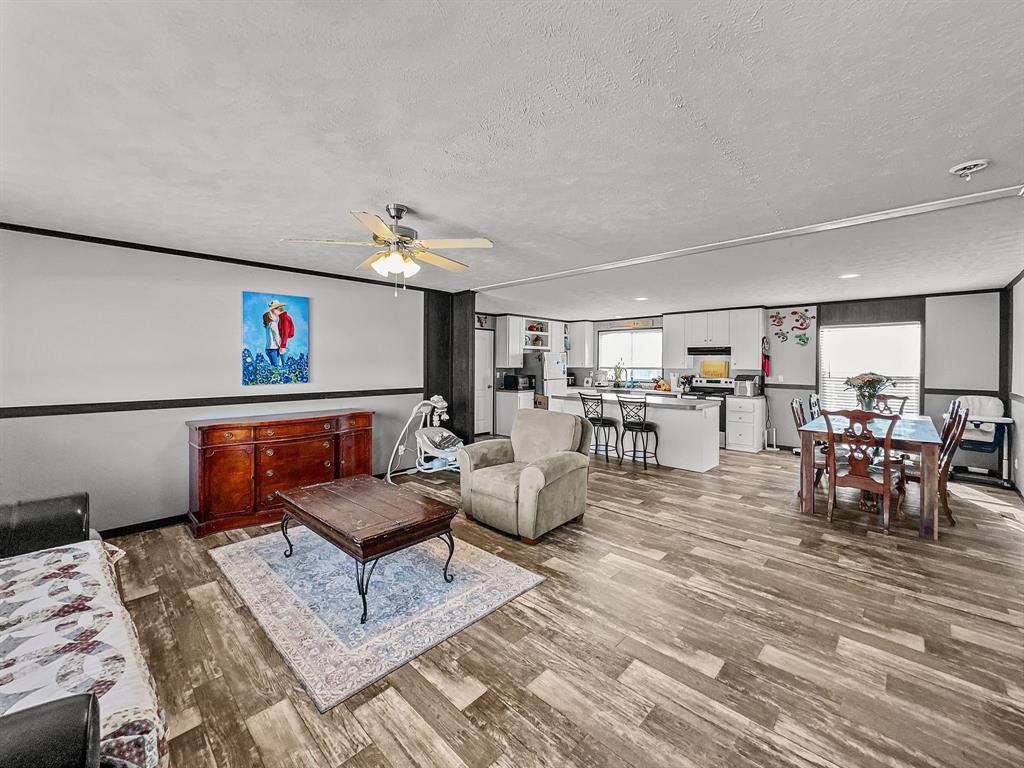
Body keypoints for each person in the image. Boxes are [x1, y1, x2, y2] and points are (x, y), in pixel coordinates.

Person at [262, 300, 286, 366]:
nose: (280, 311)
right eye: (278, 309)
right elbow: (277, 337)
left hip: (268, 349)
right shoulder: (273, 324)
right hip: (274, 349)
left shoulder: (268, 324)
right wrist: (281, 347)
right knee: (276, 368)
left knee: (274, 366)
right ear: (273, 311)